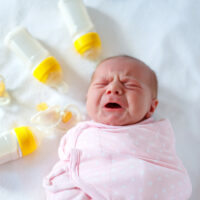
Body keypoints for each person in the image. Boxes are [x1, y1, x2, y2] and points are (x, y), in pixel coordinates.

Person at [43, 55, 192, 200]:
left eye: (130, 85)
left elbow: (166, 172)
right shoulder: (82, 133)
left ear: (151, 107)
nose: (113, 89)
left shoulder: (156, 136)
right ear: (87, 98)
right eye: (102, 84)